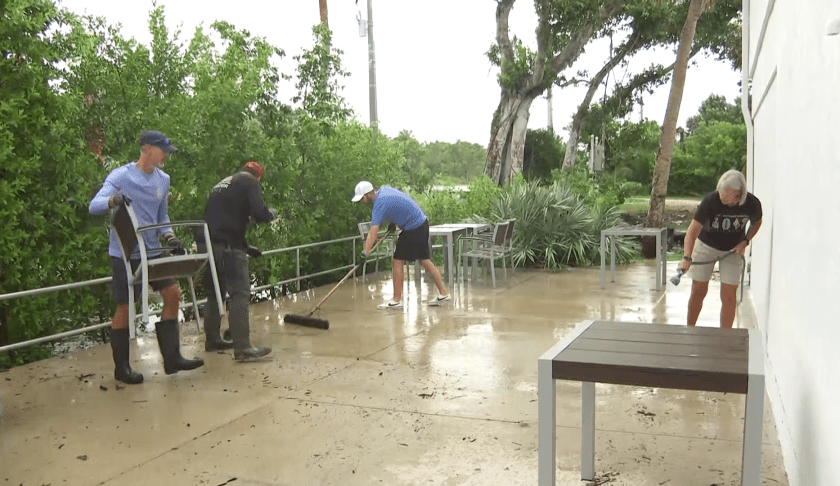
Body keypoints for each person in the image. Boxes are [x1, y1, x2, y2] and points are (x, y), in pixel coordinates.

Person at [89, 130, 204, 384]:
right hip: (125, 253)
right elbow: (93, 205)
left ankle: (172, 359)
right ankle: (122, 368)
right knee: (125, 307)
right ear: (147, 149)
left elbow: (162, 216)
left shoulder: (163, 180)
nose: (165, 156)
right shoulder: (121, 175)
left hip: (152, 251)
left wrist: (170, 237)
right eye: (162, 150)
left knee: (173, 294)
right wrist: (113, 199)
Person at [200, 160, 274, 361]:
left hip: (208, 247)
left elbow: (224, 220)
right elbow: (260, 212)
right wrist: (270, 215)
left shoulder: (222, 184)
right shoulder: (250, 182)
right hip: (229, 249)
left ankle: (213, 339)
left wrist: (247, 247)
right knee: (239, 294)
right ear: (258, 176)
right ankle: (243, 347)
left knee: (214, 294)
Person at [680, 170, 762, 328]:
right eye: (720, 191)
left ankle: (725, 336)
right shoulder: (711, 200)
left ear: (738, 194)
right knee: (698, 290)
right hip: (706, 246)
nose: (721, 195)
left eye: (725, 193)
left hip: (732, 250)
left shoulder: (752, 204)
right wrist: (687, 257)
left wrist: (745, 241)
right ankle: (690, 329)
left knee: (729, 295)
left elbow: (756, 223)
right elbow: (691, 232)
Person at [352, 181, 451, 309]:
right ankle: (443, 293)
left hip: (413, 228)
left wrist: (365, 252)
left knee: (397, 260)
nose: (362, 201)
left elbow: (373, 233)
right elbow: (397, 205)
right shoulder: (384, 191)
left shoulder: (379, 205)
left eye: (362, 198)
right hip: (421, 223)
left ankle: (397, 300)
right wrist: (392, 222)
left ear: (369, 194)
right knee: (424, 261)